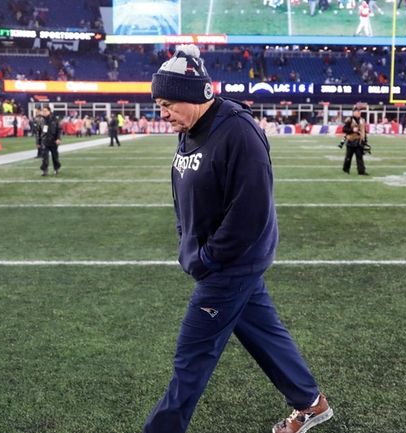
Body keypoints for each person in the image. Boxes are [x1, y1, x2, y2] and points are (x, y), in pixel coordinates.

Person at [145, 44, 332, 433]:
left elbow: (250, 213)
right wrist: (186, 240)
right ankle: (310, 403)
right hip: (216, 260)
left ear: (194, 95)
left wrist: (209, 257)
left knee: (191, 359)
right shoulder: (192, 127)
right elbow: (186, 190)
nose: (161, 113)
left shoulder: (238, 133)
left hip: (230, 265)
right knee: (264, 332)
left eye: (167, 103)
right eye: (158, 104)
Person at [342, 105, 369, 175]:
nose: (358, 113)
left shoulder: (362, 120)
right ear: (353, 112)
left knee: (360, 158)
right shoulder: (349, 120)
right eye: (357, 111)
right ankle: (346, 170)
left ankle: (361, 171)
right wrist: (352, 130)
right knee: (348, 157)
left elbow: (364, 131)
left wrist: (365, 141)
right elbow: (344, 129)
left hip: (359, 142)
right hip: (351, 141)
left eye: (359, 111)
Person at [39, 106, 61, 176]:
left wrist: (58, 138)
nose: (44, 112)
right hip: (44, 141)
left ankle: (56, 169)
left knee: (55, 157)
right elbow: (39, 132)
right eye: (43, 111)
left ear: (49, 111)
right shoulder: (41, 120)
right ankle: (45, 170)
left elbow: (59, 130)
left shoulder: (55, 119)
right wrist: (38, 142)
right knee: (44, 157)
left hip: (53, 141)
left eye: (45, 111)